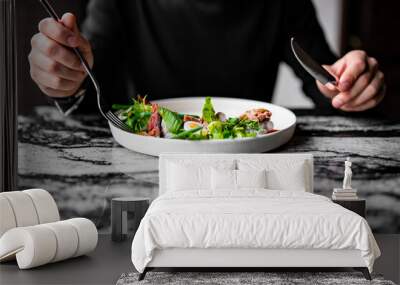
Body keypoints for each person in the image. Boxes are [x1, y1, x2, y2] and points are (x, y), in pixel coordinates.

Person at [28, 0, 386, 113]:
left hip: (250, 173)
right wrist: (66, 78)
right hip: (144, 168)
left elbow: (324, 83)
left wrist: (353, 86)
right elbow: (92, 87)